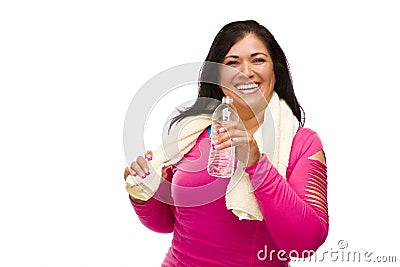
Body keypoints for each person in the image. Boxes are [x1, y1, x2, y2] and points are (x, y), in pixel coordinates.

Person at [124, 20, 328, 266]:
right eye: (232, 63)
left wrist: (256, 164)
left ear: (276, 70)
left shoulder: (302, 143)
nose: (246, 71)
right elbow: (167, 224)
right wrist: (143, 191)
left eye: (258, 60)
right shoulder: (191, 133)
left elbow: (304, 243)